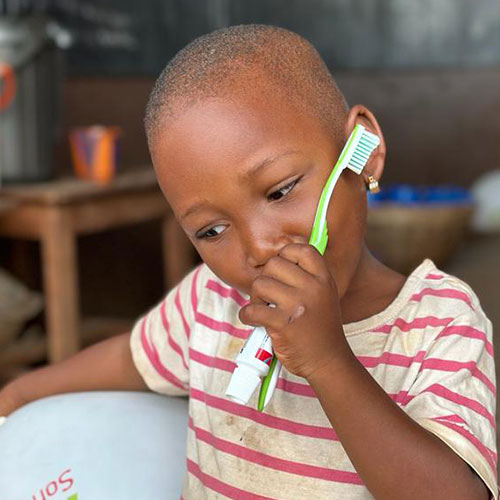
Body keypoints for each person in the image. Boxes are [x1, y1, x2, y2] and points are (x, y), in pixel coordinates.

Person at [0, 24, 497, 499]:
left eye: (280, 191)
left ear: (361, 153)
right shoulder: (211, 303)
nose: (258, 248)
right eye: (211, 231)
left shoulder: (440, 323)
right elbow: (129, 358)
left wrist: (326, 361)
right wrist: (19, 395)